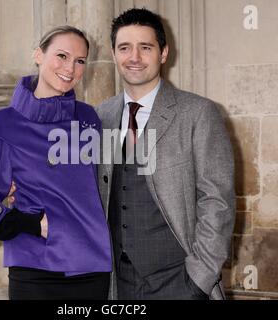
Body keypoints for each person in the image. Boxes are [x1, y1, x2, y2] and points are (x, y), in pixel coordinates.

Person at [95, 8, 236, 300]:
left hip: (181, 281)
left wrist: (198, 280)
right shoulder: (101, 115)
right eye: (125, 48)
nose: (134, 57)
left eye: (145, 47)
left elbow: (218, 201)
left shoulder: (198, 113)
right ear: (113, 54)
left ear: (163, 53)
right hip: (117, 285)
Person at [0, 26, 112, 300]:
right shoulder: (1, 125)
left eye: (80, 61)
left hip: (92, 267)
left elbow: (100, 188)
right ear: (38, 55)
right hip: (35, 269)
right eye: (62, 56)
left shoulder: (89, 119)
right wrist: (33, 224)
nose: (71, 67)